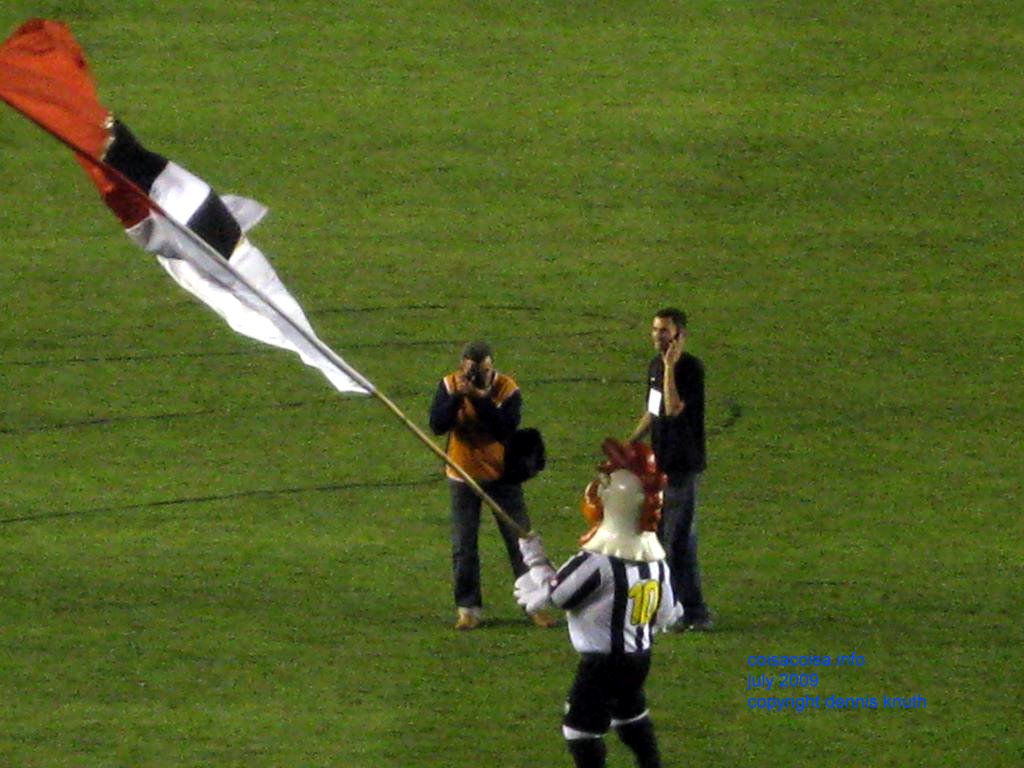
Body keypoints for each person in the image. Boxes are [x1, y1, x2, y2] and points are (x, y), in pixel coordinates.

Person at [514, 439, 680, 768]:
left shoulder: (597, 562)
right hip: (639, 657)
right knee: (629, 713)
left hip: (602, 663)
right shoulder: (655, 562)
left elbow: (559, 595)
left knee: (580, 731)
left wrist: (535, 560)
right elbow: (667, 613)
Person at [429, 340, 556, 631]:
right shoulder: (449, 385)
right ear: (463, 366)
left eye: (486, 370)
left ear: (492, 366)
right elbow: (437, 425)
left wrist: (479, 397)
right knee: (464, 545)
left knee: (520, 542)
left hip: (501, 476)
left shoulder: (507, 389)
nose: (481, 376)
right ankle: (468, 608)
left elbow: (504, 428)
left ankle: (534, 605)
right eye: (475, 370)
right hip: (463, 475)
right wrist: (458, 398)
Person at [627, 307, 711, 631]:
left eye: (664, 330)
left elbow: (673, 408)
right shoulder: (653, 366)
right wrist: (631, 441)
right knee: (660, 540)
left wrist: (669, 368)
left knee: (679, 541)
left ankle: (695, 611)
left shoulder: (690, 369)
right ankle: (671, 609)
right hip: (658, 467)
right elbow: (653, 410)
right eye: (654, 330)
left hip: (683, 466)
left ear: (680, 335)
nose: (657, 336)